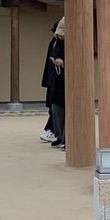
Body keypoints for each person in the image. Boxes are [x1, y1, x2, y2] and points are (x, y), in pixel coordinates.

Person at [40, 20, 62, 142]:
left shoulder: (61, 44)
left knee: (56, 108)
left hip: (58, 79)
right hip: (53, 77)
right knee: (53, 107)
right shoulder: (53, 43)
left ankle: (52, 130)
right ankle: (51, 130)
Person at [46, 19, 66, 149]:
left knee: (65, 112)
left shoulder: (70, 43)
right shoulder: (56, 43)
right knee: (55, 109)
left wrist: (64, 63)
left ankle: (66, 139)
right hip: (56, 81)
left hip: (67, 82)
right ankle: (59, 136)